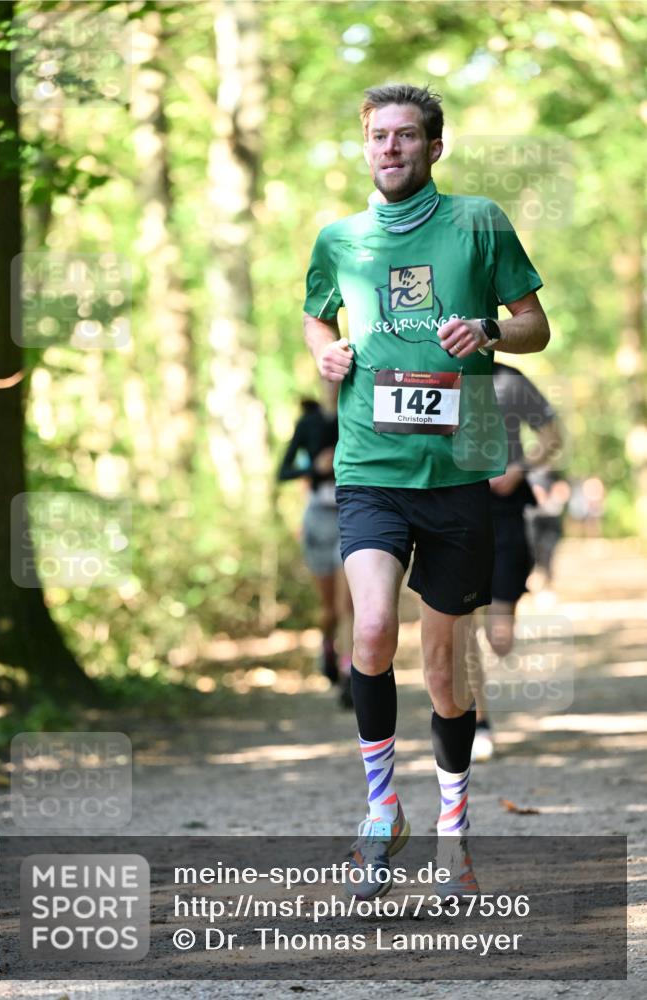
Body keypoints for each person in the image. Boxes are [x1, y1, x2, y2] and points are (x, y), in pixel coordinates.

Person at [303, 83, 550, 900]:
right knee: (369, 628)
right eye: (377, 136)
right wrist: (325, 353)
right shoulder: (338, 239)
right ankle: (380, 810)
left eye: (406, 136)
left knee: (445, 678)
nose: (390, 148)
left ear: (433, 147)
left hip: (457, 478)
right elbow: (315, 316)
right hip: (371, 470)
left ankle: (453, 828)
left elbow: (534, 326)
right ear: (365, 145)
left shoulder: (477, 222)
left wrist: (485, 330)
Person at [469, 363, 562, 764]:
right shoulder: (435, 370)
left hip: (506, 511)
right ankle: (478, 722)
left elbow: (553, 434)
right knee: (460, 621)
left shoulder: (510, 379)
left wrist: (519, 468)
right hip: (454, 507)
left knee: (498, 639)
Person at [277, 397, 354, 704]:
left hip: (352, 513)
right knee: (330, 610)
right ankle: (328, 646)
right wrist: (314, 466)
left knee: (347, 604)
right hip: (318, 520)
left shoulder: (360, 408)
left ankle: (350, 675)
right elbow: (283, 471)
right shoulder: (308, 423)